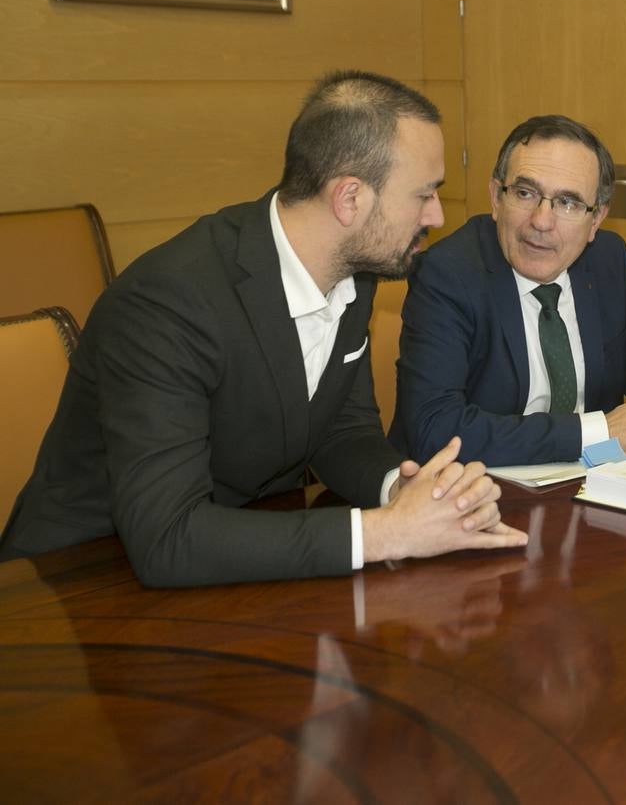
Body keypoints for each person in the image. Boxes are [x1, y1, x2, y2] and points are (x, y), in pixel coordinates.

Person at [1, 70, 527, 587]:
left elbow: (341, 430)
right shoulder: (166, 303)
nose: (436, 214)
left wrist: (406, 493)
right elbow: (167, 539)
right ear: (349, 199)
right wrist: (384, 534)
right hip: (74, 584)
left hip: (244, 558)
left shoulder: (355, 267)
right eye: (424, 194)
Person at [389, 114, 626, 466]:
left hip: (590, 481)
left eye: (568, 202)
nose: (541, 221)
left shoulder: (608, 260)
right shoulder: (448, 273)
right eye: (525, 193)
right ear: (495, 197)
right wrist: (598, 430)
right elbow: (435, 429)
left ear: (595, 219)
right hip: (475, 491)